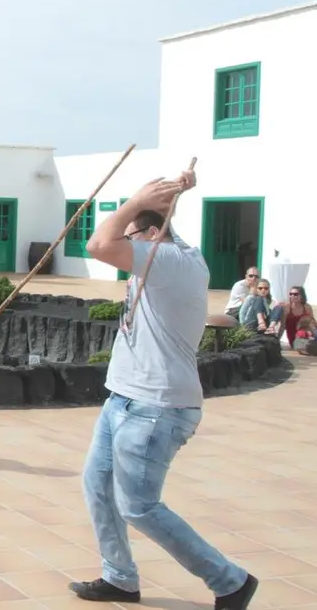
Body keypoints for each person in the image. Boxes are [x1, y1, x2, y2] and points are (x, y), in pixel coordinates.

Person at [72, 168, 258, 609]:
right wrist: (170, 193)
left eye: (132, 235)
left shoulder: (171, 260)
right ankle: (119, 578)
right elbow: (126, 236)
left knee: (137, 505)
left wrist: (134, 202)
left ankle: (230, 580)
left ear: (151, 233)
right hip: (123, 397)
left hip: (157, 407)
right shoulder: (162, 255)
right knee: (97, 486)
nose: (124, 246)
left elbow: (98, 245)